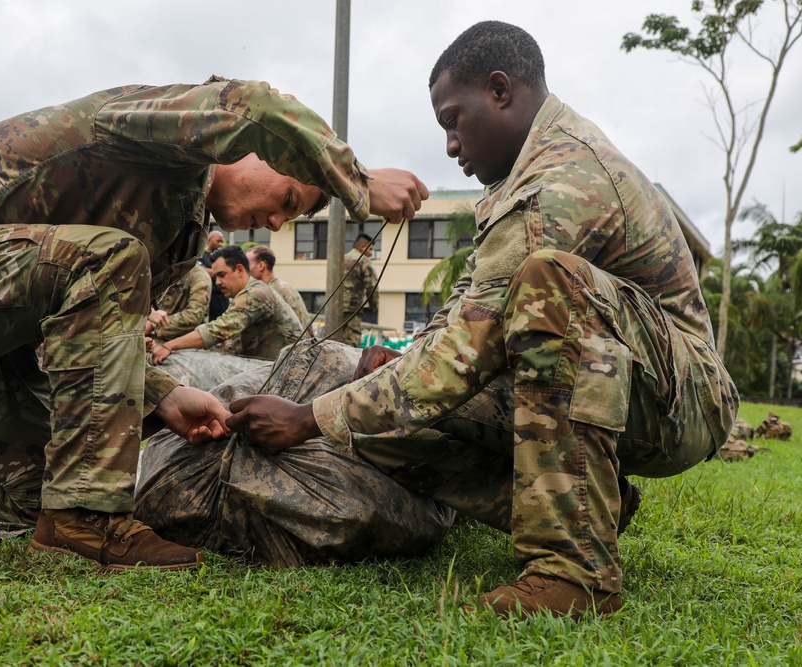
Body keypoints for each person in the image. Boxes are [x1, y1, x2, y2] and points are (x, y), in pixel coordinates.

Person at [0, 76, 429, 573]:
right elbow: (255, 104)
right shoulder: (164, 137)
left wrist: (169, 396)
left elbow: (91, 335)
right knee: (107, 262)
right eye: (289, 200)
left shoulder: (179, 241)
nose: (273, 223)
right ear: (256, 151)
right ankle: (85, 525)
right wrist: (356, 180)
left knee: (38, 490)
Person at [226, 23, 737, 618]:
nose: (449, 145)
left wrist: (308, 418)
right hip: (621, 383)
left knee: (550, 283)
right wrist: (386, 374)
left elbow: (460, 358)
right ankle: (596, 504)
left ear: (500, 89)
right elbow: (460, 322)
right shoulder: (513, 185)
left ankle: (573, 572)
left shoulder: (562, 181)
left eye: (452, 120)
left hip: (685, 400)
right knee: (378, 417)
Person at [150, 245, 302, 363]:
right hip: (272, 367)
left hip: (289, 372)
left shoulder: (257, 294)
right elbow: (230, 344)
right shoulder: (242, 296)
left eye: (222, 275)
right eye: (215, 277)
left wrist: (170, 346)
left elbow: (218, 330)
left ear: (240, 270)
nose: (218, 283)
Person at [246, 244, 314, 337]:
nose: (245, 270)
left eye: (247, 264)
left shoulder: (274, 292)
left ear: (261, 266)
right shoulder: (281, 287)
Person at [333, 233, 378, 347]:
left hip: (334, 307)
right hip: (352, 307)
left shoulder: (341, 259)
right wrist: (374, 305)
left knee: (335, 341)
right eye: (370, 249)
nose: (371, 253)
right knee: (352, 342)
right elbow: (372, 286)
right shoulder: (364, 261)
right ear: (363, 247)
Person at [147, 264, 212, 342]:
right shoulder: (163, 271)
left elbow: (194, 316)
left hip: (187, 341)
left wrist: (153, 325)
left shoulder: (199, 278)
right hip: (156, 336)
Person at [199, 230, 230, 321]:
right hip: (209, 298)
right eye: (218, 241)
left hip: (223, 298)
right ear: (209, 240)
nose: (220, 244)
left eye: (222, 241)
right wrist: (219, 272)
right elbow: (200, 271)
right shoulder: (201, 255)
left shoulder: (223, 256)